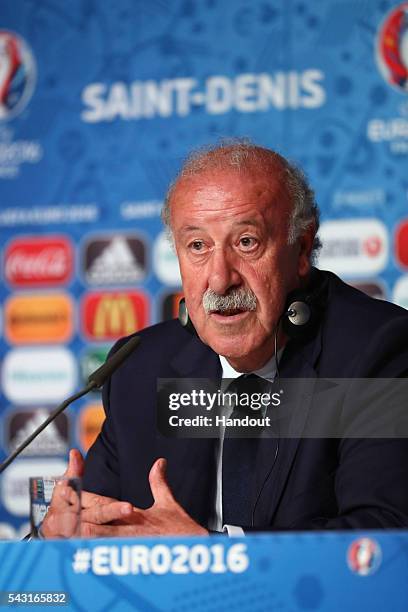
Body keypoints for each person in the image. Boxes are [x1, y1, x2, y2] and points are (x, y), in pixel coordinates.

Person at [42, 140, 408, 538]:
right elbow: (100, 525)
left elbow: (383, 537)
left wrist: (208, 553)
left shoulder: (377, 350)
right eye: (198, 246)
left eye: (246, 242)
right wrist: (56, 539)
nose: (220, 279)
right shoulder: (140, 368)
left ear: (301, 249)